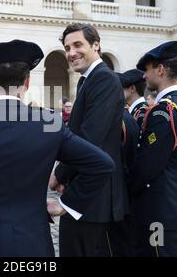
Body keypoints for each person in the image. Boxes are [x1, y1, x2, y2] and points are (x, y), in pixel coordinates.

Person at [0, 39, 114, 257]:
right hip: (33, 243)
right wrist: (65, 205)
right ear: (27, 82)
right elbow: (102, 164)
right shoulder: (49, 124)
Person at [52, 23, 128, 257]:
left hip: (95, 196)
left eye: (77, 45)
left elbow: (89, 139)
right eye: (67, 47)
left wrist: (59, 173)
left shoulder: (103, 78)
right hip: (88, 190)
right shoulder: (89, 79)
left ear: (96, 45)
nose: (71, 53)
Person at [130, 40, 177, 257]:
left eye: (147, 70)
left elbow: (147, 167)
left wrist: (125, 189)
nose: (144, 77)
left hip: (161, 213)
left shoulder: (164, 111)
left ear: (160, 70)